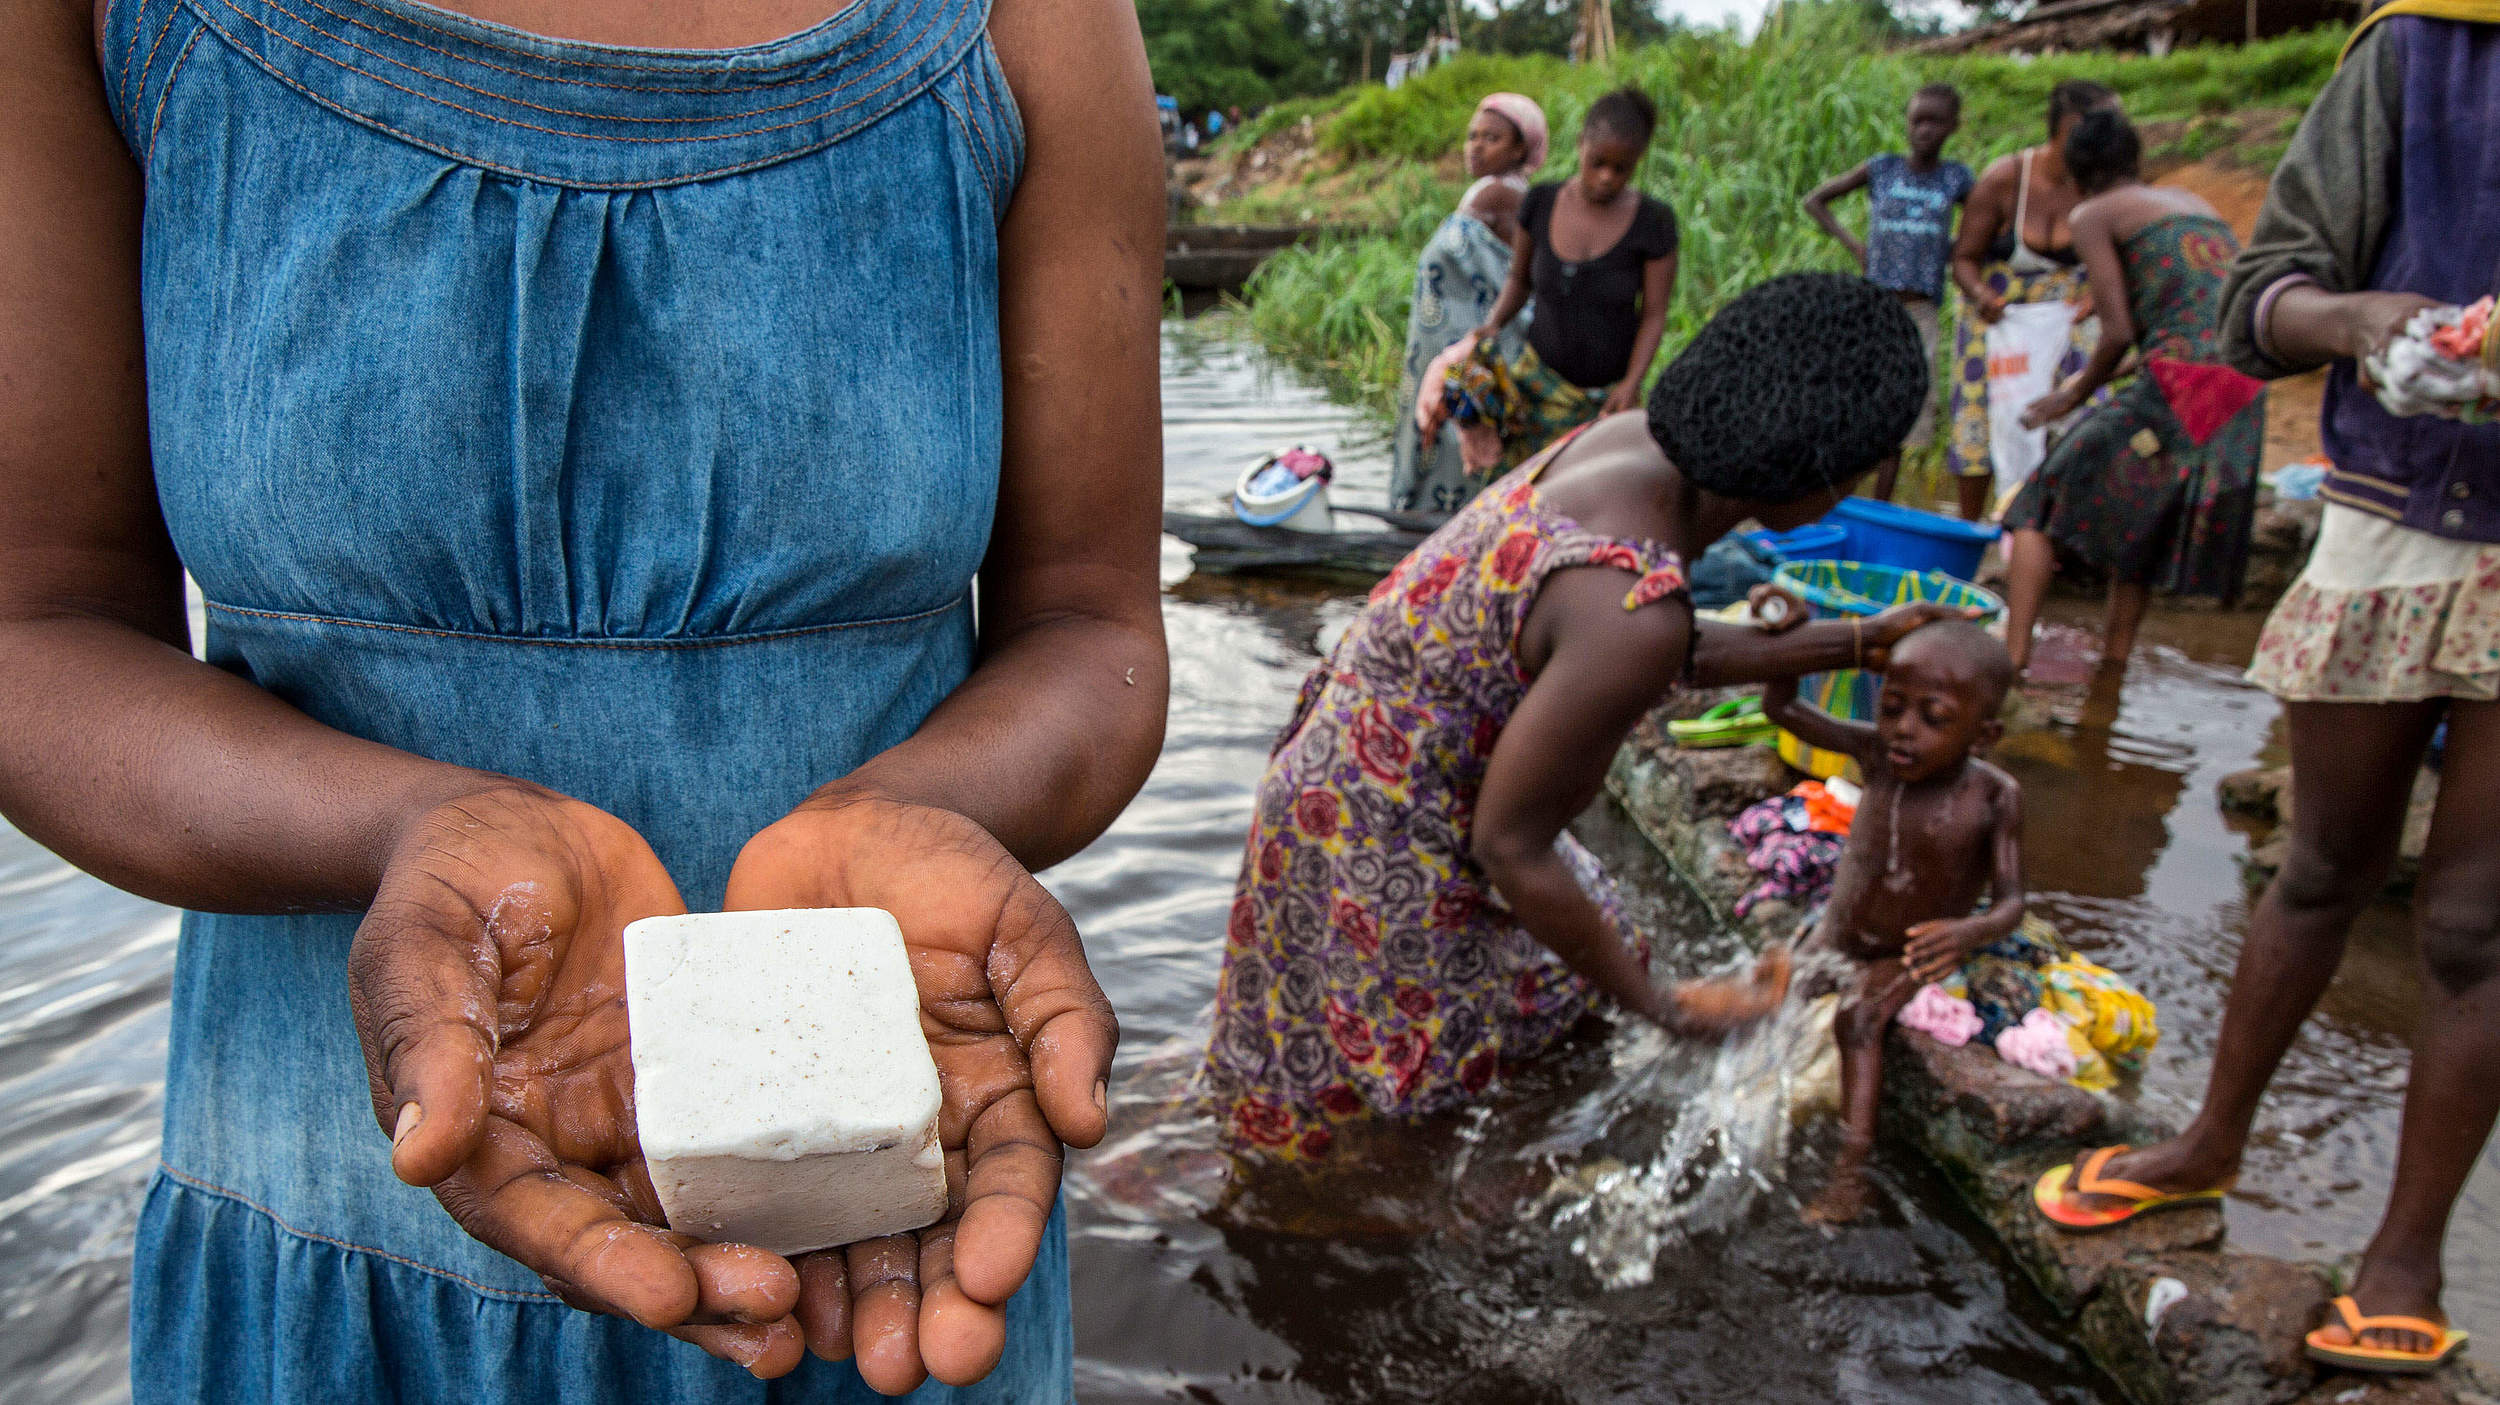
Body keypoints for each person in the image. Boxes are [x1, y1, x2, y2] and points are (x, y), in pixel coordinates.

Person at [0, 0, 1168, 1399]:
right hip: (328, 1233)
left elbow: (1091, 626)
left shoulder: (1038, 22)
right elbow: (36, 628)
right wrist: (407, 830)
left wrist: (911, 808)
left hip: (890, 1246)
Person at [1204, 274, 1964, 1157]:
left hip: (1343, 770)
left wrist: (1858, 640)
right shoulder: (1632, 608)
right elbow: (1512, 844)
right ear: (1810, 485)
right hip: (1378, 840)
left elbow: (1636, 644)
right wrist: (1670, 1006)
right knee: (1397, 1109)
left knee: (1550, 975)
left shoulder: (1628, 441)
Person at [2033, 1, 2498, 1377]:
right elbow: (2265, 296)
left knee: (2476, 923)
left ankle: (2404, 1248)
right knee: (2322, 862)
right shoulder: (2423, 46)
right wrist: (2372, 323)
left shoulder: (2107, 213)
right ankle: (2208, 1138)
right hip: (2394, 510)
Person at [1763, 622, 2022, 1223]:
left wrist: (1965, 933)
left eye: (1934, 718)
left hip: (1907, 953)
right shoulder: (1876, 754)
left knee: (1858, 1020)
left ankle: (1850, 1175)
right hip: (1839, 935)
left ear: (1985, 735)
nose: (1905, 731)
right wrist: (1787, 638)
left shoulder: (1994, 797)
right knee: (1774, 993)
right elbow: (1779, 707)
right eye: (1893, 708)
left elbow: (2013, 904)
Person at [1997, 109, 2265, 675]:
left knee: (2035, 504)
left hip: (2184, 383)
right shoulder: (2194, 205)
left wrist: (2067, 399)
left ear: (2076, 172)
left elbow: (2117, 331)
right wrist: (2091, 383)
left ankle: (2010, 661)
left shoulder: (2095, 214)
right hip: (2241, 383)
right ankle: (2113, 672)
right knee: (2143, 523)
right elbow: (2187, 330)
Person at [1443, 87, 1679, 475]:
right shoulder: (1541, 202)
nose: (1606, 178)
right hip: (1535, 385)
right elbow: (1520, 279)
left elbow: (1653, 314)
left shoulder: (1653, 223)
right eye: (1597, 162)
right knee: (1522, 494)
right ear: (1581, 144)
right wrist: (1493, 323)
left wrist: (1631, 384)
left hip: (1601, 401)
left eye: (1621, 169)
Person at [1946, 81, 2122, 522]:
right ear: (2067, 130)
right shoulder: (2005, 179)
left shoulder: (2101, 184)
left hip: (2068, 319)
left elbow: (2121, 257)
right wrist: (1983, 295)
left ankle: (2056, 529)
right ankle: (1974, 528)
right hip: (1997, 317)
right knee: (1980, 420)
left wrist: (2096, 298)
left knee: (2080, 413)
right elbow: (1964, 259)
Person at [1802, 83, 1977, 499]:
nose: (1924, 130)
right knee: (1857, 400)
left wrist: (1957, 251)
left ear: (1952, 127)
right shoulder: (1883, 169)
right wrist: (1854, 244)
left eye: (1935, 122)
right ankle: (1831, 496)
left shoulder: (1955, 178)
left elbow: (1987, 223)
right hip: (1873, 305)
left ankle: (1880, 505)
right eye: (1918, 120)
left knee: (1904, 410)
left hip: (1920, 311)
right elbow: (1816, 201)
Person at [1391, 94, 1549, 516]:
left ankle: (1435, 531)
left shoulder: (1496, 192)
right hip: (1482, 342)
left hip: (1467, 345)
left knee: (1446, 434)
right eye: (1472, 136)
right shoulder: (1518, 194)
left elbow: (1512, 278)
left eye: (1492, 138)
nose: (1475, 147)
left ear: (1521, 149)